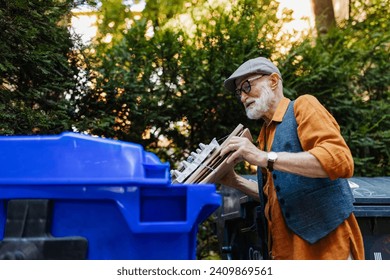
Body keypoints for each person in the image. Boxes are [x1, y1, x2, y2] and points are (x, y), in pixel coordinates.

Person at [219, 57, 365, 260]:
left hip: (327, 253)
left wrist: (262, 156)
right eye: (239, 92)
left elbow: (339, 160)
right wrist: (235, 181)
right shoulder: (265, 134)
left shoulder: (303, 106)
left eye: (247, 86)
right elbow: (276, 195)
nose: (243, 97)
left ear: (273, 80)